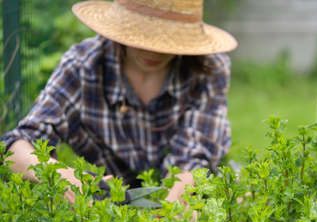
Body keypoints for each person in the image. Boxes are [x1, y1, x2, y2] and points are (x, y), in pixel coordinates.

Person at [0, 0, 237, 206]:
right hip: (106, 203)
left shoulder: (208, 69)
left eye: (166, 39)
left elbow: (193, 157)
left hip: (191, 191)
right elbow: (15, 146)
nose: (152, 49)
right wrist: (64, 177)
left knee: (241, 195)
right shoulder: (84, 66)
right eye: (142, 34)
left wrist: (177, 202)